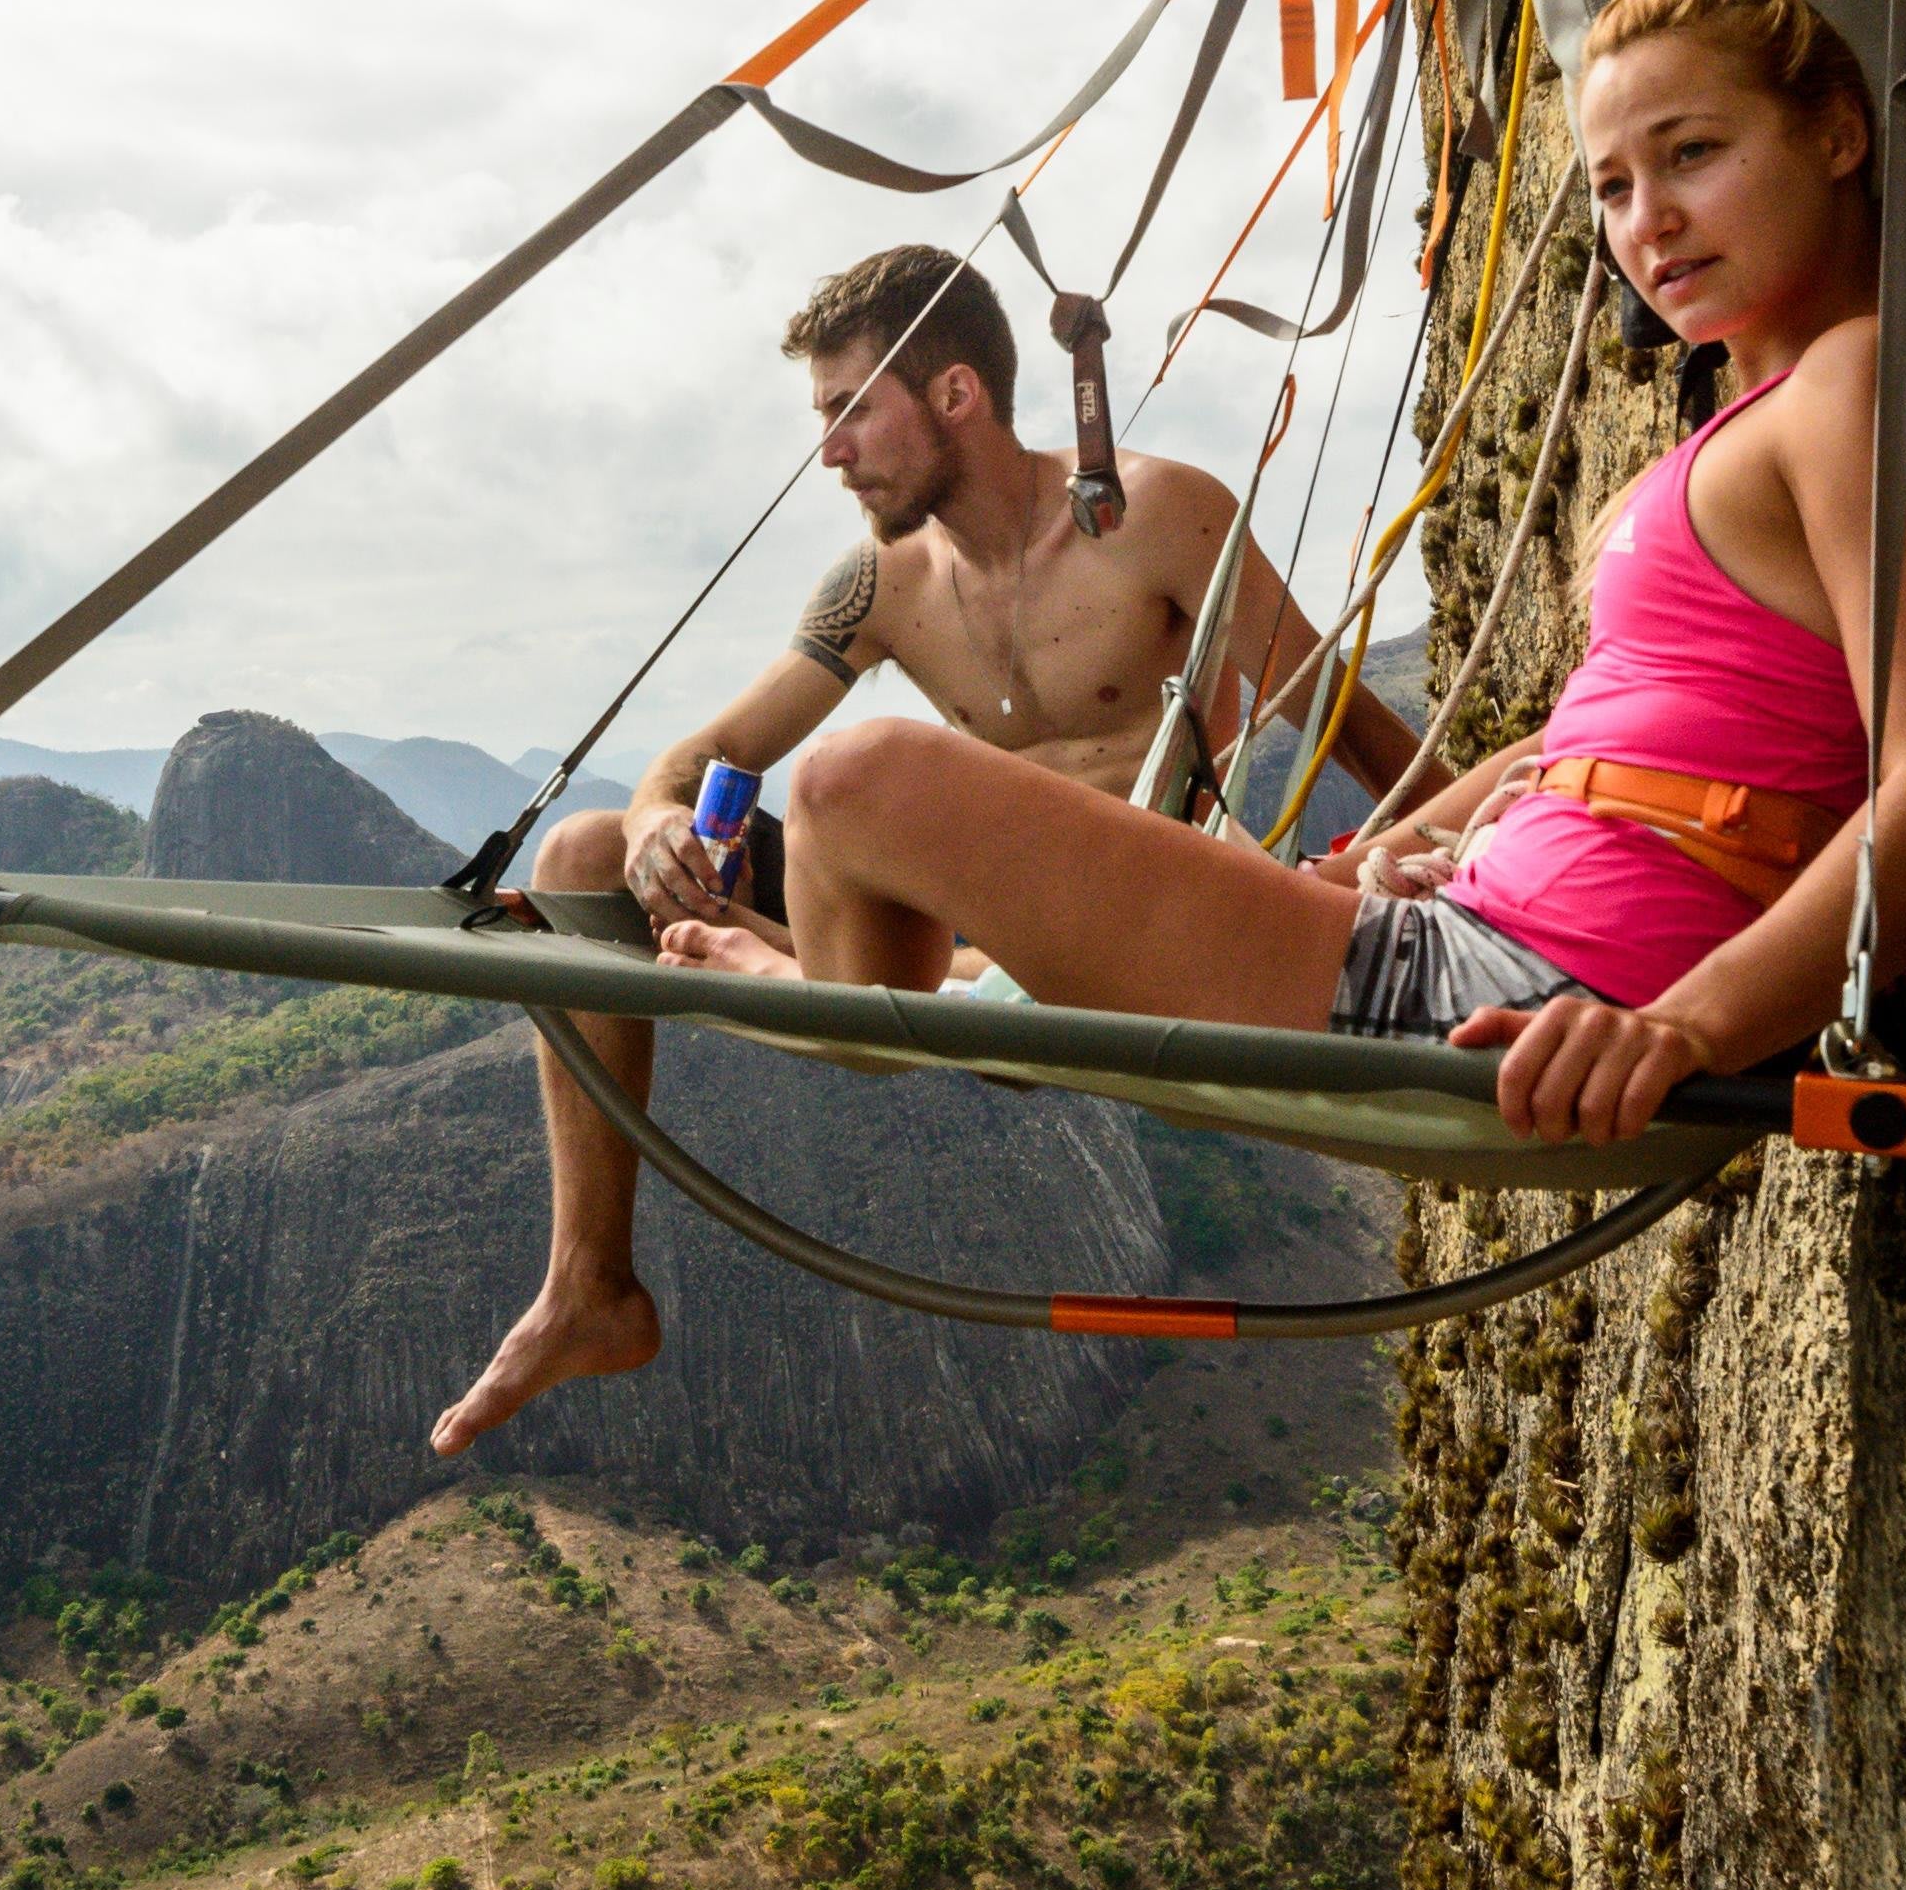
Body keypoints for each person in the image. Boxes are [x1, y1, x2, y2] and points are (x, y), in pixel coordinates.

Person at [644, 0, 1906, 1162]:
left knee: (855, 782)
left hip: (1519, 985)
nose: (1646, 222)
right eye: (1611, 184)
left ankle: (825, 999)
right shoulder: (1747, 430)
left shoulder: (1866, 389)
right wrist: (1399, 850)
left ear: (1842, 133)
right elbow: (1585, 749)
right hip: (1467, 926)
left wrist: (1694, 1021)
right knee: (620, 844)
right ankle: (792, 1049)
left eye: (1692, 154)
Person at [438, 240, 1426, 1455]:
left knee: (858, 774)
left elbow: (1362, 738)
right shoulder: (879, 587)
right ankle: (590, 1285)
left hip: (1119, 959)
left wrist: (1441, 880)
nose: (830, 451)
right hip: (951, 958)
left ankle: (797, 974)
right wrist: (652, 825)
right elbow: (698, 758)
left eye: (852, 409)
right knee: (582, 852)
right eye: (822, 417)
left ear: (956, 395)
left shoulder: (1155, 517)